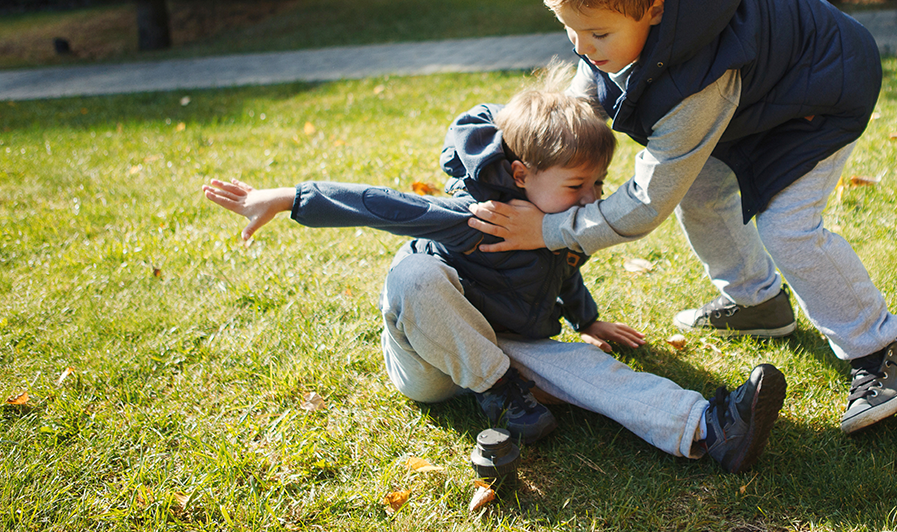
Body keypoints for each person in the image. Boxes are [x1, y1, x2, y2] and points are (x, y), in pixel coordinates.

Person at [466, 0, 897, 435]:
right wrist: (517, 144)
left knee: (788, 229)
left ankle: (882, 350)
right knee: (703, 195)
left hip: (819, 95)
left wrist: (548, 230)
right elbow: (582, 104)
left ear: (655, 12)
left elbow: (645, 204)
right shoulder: (626, 14)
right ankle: (758, 303)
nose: (583, 47)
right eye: (570, 31)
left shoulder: (697, 82)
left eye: (597, 33)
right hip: (754, 102)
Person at [202, 67, 786, 473]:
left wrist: (588, 321)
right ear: (522, 176)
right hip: (432, 362)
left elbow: (561, 272)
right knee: (412, 275)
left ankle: (710, 430)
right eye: (578, 185)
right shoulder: (476, 215)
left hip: (503, 352)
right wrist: (286, 197)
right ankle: (507, 393)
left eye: (598, 184)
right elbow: (377, 204)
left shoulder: (561, 224)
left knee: (589, 369)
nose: (591, 198)